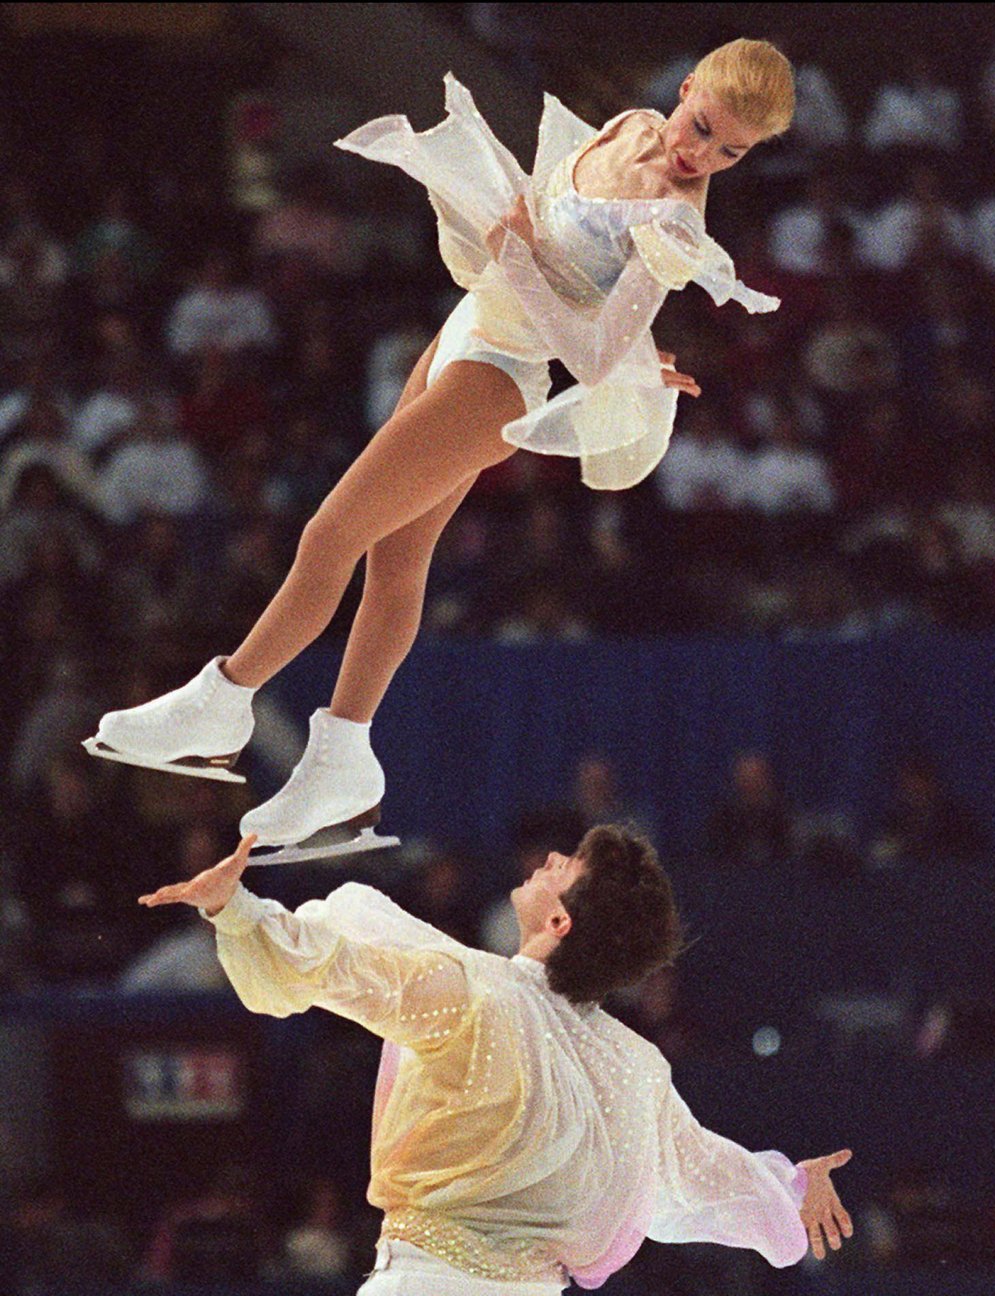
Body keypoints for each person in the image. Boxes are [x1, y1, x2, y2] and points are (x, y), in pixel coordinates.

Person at [92, 40, 794, 857]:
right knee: (395, 558)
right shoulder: (633, 123)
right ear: (684, 90)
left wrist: (527, 269)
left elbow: (592, 357)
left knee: (330, 532)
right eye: (703, 126)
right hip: (470, 327)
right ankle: (342, 759)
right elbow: (579, 265)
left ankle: (222, 699)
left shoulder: (678, 218)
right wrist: (544, 278)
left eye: (729, 152)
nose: (698, 153)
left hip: (504, 374)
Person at [139, 824, 854, 1293]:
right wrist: (789, 1188)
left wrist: (234, 911)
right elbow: (699, 1170)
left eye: (565, 864)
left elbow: (340, 968)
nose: (548, 858)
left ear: (560, 921)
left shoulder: (476, 993)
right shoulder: (633, 1066)